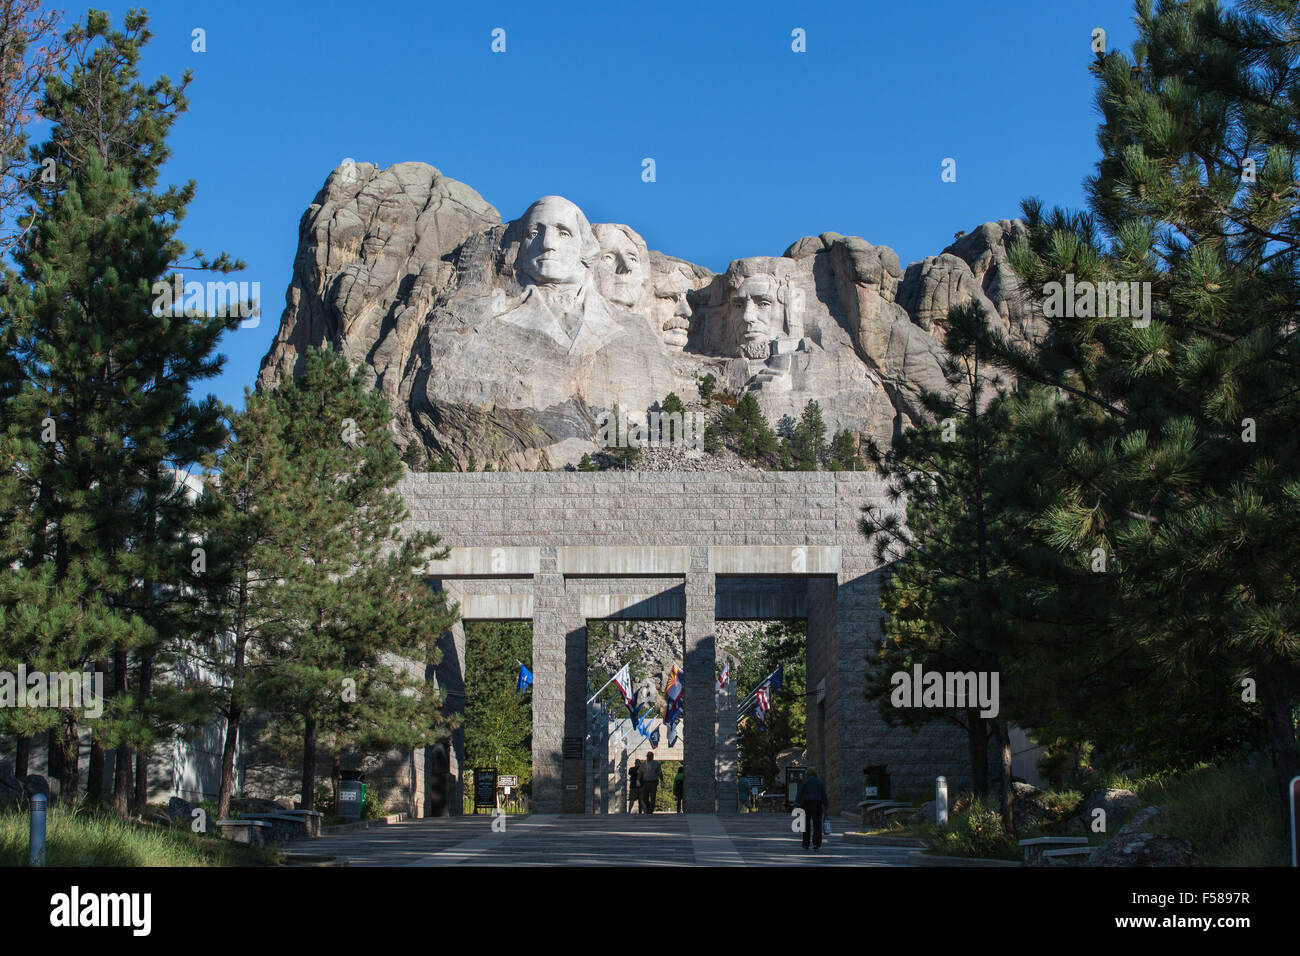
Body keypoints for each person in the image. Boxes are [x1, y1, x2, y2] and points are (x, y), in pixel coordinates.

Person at [796, 768, 829, 852]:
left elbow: (800, 794)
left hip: (806, 804)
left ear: (807, 774)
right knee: (817, 825)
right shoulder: (820, 782)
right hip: (817, 804)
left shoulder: (804, 782)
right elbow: (823, 795)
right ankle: (816, 844)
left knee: (806, 825)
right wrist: (826, 806)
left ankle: (805, 843)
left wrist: (797, 804)